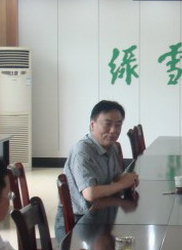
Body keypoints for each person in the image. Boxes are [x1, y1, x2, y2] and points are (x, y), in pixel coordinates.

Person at [57, 100, 140, 239]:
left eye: (118, 125)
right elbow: (90, 193)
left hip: (99, 212)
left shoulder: (111, 147)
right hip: (78, 221)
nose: (113, 130)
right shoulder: (82, 151)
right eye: (107, 124)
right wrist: (122, 184)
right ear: (92, 125)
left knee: (131, 236)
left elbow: (115, 176)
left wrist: (127, 178)